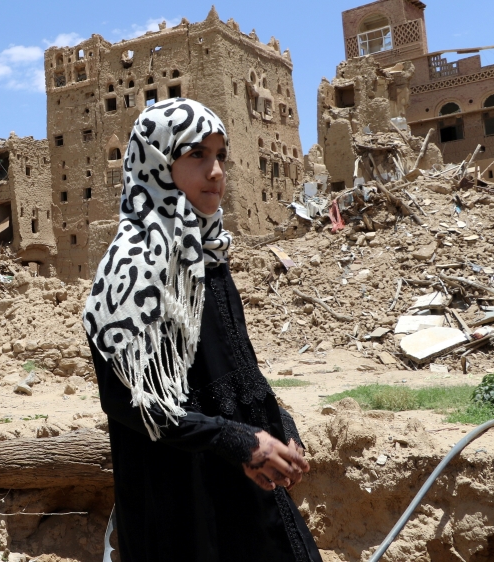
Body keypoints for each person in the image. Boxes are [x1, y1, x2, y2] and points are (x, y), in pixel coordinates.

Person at [82, 98, 321, 562]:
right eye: (197, 155)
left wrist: (279, 427)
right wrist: (241, 442)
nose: (215, 172)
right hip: (180, 496)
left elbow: (235, 367)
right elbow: (129, 400)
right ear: (156, 162)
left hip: (242, 476)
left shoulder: (207, 254)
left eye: (220, 156)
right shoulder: (132, 267)